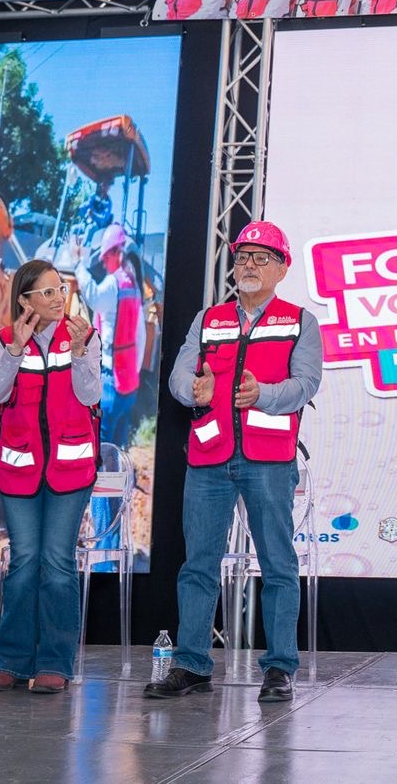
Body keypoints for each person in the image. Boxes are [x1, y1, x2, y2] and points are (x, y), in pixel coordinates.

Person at [145, 221, 322, 701]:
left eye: (262, 257)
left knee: (277, 564)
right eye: (243, 256)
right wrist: (192, 390)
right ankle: (191, 664)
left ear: (282, 269)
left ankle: (280, 667)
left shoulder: (301, 321)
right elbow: (179, 376)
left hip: (269, 460)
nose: (249, 264)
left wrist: (264, 394)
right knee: (198, 565)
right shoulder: (208, 319)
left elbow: (306, 383)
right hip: (209, 456)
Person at [0, 261, 99, 694]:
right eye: (46, 292)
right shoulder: (4, 340)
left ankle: (54, 663)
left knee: (58, 562)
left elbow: (90, 394)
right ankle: (10, 661)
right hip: (20, 469)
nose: (57, 298)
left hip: (71, 467)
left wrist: (80, 353)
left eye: (59, 289)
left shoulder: (84, 335)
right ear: (24, 300)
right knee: (25, 561)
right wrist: (15, 350)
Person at [78, 223, 143, 449]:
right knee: (118, 449)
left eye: (105, 257)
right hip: (129, 384)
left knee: (101, 446)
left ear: (116, 253)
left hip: (111, 382)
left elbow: (93, 296)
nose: (104, 263)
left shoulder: (114, 283)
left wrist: (78, 264)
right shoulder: (134, 286)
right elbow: (140, 337)